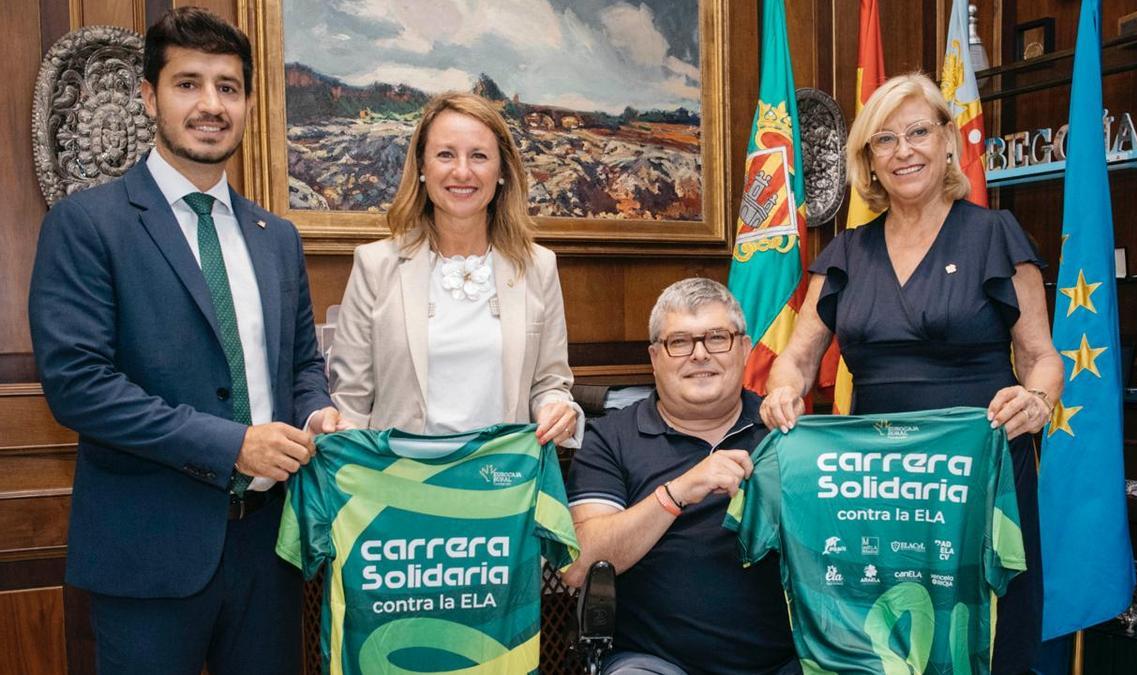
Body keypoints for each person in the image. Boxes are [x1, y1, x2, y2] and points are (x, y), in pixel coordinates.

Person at [27, 8, 343, 673]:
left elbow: (302, 366)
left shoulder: (276, 238)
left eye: (228, 87)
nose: (211, 104)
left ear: (248, 104)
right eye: (188, 83)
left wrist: (316, 408)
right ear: (149, 96)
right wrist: (233, 444)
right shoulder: (88, 225)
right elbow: (80, 387)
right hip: (148, 555)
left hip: (271, 552)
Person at [760, 72, 1063, 674]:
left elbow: (1041, 357)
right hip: (877, 491)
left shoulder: (995, 235)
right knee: (882, 633)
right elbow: (796, 357)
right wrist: (783, 390)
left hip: (977, 476)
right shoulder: (845, 251)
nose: (904, 151)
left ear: (949, 141)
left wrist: (1036, 402)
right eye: (885, 140)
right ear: (868, 160)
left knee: (983, 635)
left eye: (919, 132)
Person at [566, 278, 799, 675]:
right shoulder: (610, 438)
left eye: (717, 338)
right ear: (655, 357)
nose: (700, 355)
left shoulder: (785, 432)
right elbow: (580, 566)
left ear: (744, 349)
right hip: (653, 663)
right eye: (680, 342)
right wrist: (676, 494)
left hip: (786, 663)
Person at [329, 91, 582, 446]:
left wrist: (557, 409)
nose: (462, 171)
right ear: (421, 166)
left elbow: (549, 384)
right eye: (446, 154)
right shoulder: (375, 266)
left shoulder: (538, 267)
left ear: (502, 171)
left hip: (502, 482)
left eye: (479, 156)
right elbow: (351, 404)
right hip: (400, 485)